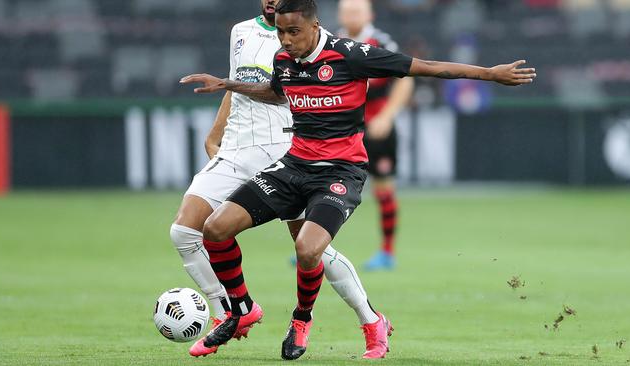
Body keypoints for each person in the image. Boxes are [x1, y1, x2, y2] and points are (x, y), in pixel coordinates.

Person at [180, 0, 535, 360]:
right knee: (215, 228)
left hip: (339, 172)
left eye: (293, 32)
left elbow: (425, 67)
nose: (285, 41)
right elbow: (276, 91)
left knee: (307, 248)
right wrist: (228, 84)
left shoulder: (351, 55)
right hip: (293, 166)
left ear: (315, 26)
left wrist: (490, 74)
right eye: (281, 33)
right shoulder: (284, 60)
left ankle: (303, 319)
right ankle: (241, 310)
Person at [169, 0, 388, 359]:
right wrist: (217, 130)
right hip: (237, 148)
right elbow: (239, 82)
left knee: (310, 248)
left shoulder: (317, 41)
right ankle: (229, 311)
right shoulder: (240, 31)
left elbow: (294, 92)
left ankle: (368, 318)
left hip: (286, 150)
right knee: (185, 230)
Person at [337, 0, 414, 271]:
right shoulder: (332, 42)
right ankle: (315, 248)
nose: (350, 16)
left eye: (356, 11)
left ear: (370, 14)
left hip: (376, 128)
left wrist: (387, 116)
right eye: (346, 11)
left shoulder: (381, 42)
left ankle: (387, 252)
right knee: (321, 185)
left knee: (383, 188)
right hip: (343, 129)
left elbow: (406, 79)